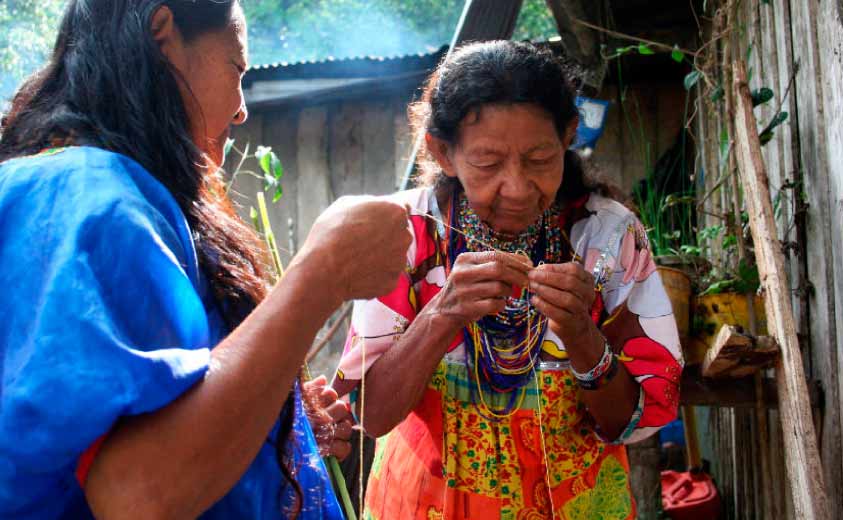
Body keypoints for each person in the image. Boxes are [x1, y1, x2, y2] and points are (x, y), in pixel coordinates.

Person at [0, 1, 411, 518]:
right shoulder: (93, 195)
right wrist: (322, 273)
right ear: (163, 32)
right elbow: (140, 493)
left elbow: (102, 419)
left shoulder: (62, 188)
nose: (241, 109)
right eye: (237, 68)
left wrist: (275, 420)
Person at [333, 40, 684, 519]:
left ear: (568, 136)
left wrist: (582, 334)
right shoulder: (402, 235)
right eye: (488, 164)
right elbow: (372, 416)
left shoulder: (609, 236)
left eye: (540, 159)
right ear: (444, 152)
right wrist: (443, 312)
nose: (517, 188)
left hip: (577, 503)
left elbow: (637, 421)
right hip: (427, 505)